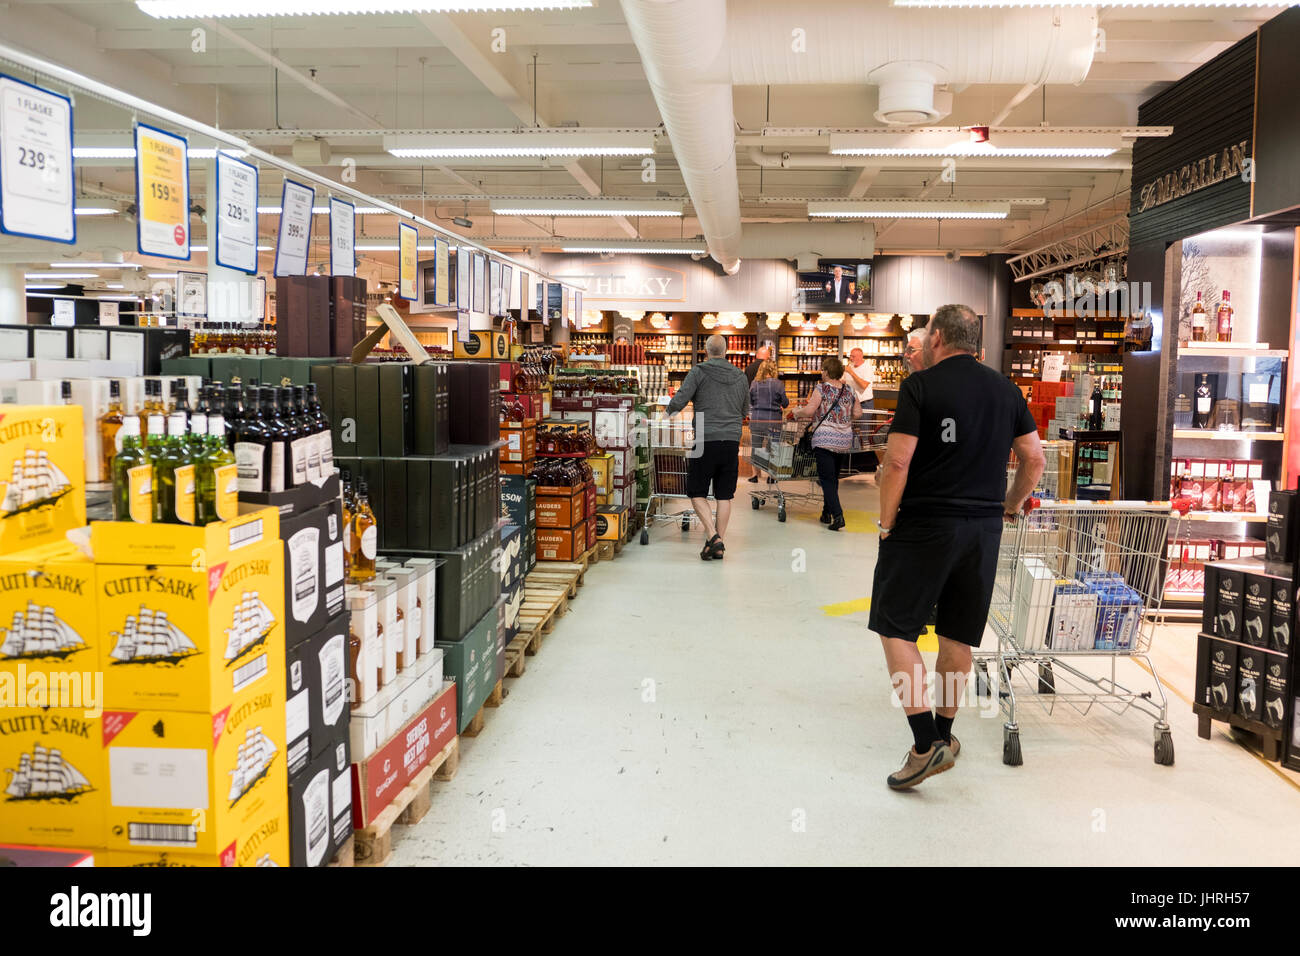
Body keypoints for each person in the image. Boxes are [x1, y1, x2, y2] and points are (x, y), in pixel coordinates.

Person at [869, 303, 1044, 791]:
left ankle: (923, 745)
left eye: (925, 335)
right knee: (957, 637)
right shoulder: (1007, 390)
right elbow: (1034, 458)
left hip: (925, 526)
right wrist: (1008, 505)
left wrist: (886, 524)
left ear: (939, 339)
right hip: (983, 530)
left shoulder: (920, 387)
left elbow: (897, 464)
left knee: (895, 627)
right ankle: (946, 735)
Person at [665, 333, 751, 560]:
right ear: (726, 351)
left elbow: (681, 398)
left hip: (705, 438)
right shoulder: (741, 376)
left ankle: (713, 536)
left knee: (696, 491)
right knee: (725, 495)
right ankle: (716, 545)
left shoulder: (699, 371)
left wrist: (666, 415)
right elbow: (745, 411)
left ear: (705, 351)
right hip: (732, 440)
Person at [790, 356, 861, 531]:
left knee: (826, 479)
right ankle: (826, 513)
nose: (821, 372)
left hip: (824, 439)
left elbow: (810, 410)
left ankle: (838, 515)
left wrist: (796, 413)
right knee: (833, 478)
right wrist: (843, 419)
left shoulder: (821, 389)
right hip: (844, 440)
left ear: (828, 372)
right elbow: (858, 413)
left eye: (823, 369)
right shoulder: (850, 390)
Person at [747, 360, 787, 484]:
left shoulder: (754, 383)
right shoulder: (778, 384)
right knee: (773, 448)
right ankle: (771, 476)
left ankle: (754, 475)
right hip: (773, 421)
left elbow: (750, 401)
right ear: (773, 370)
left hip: (757, 419)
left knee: (756, 447)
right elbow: (785, 403)